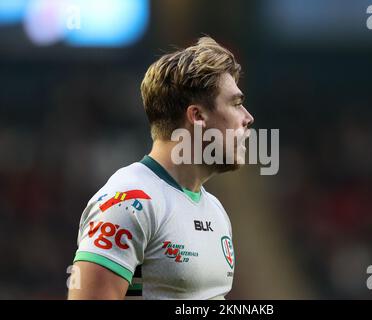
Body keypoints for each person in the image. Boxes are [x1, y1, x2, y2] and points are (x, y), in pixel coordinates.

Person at [68, 36, 254, 299]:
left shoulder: (215, 211)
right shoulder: (128, 202)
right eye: (236, 103)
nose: (248, 118)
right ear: (197, 116)